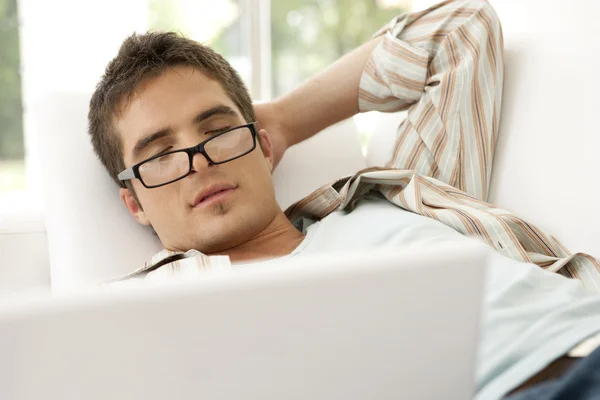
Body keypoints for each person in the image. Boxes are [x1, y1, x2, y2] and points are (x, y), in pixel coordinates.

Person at [88, 0, 600, 398]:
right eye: (160, 156)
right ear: (133, 202)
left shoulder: (393, 195)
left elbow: (459, 30)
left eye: (219, 131)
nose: (200, 161)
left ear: (262, 145)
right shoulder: (139, 315)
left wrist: (286, 117)